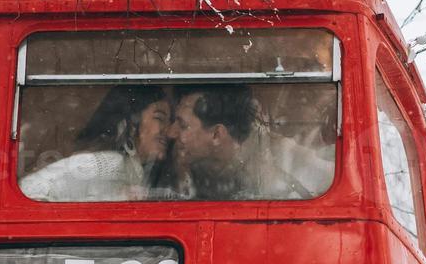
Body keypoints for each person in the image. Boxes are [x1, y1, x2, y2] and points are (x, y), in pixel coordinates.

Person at [167, 85, 333, 200]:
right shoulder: (189, 162)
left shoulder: (287, 160)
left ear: (217, 135)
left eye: (182, 125)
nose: (170, 132)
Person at [20, 85, 172, 201]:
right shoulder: (112, 165)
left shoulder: (134, 169)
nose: (169, 131)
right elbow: (30, 190)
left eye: (170, 121)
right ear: (130, 124)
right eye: (159, 118)